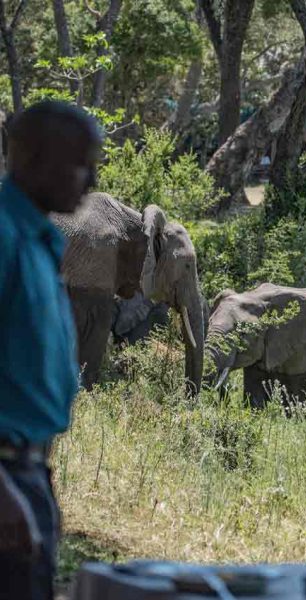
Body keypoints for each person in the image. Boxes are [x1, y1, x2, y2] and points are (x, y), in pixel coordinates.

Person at [0, 102, 102, 599]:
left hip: (28, 469)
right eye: (81, 164)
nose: (92, 180)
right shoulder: (3, 237)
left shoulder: (35, 237)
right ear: (34, 158)